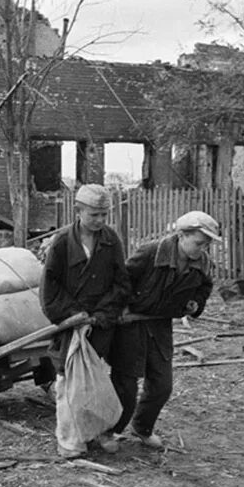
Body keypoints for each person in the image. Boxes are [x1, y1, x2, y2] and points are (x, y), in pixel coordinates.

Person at [108, 210, 220, 448]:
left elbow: (205, 286)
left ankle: (142, 427)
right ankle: (110, 431)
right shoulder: (151, 252)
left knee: (162, 385)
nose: (202, 249)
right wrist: (122, 308)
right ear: (181, 235)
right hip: (131, 324)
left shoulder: (203, 263)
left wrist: (195, 304)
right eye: (199, 243)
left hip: (160, 325)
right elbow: (123, 279)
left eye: (206, 244)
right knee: (125, 385)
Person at [40, 183, 130, 457]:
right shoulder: (63, 243)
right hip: (71, 324)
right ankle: (70, 440)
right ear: (78, 211)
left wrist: (102, 315)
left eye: (104, 214)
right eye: (94, 215)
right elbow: (50, 288)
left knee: (98, 380)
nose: (100, 221)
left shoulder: (111, 240)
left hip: (101, 323)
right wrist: (72, 315)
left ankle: (101, 431)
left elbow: (121, 283)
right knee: (69, 381)